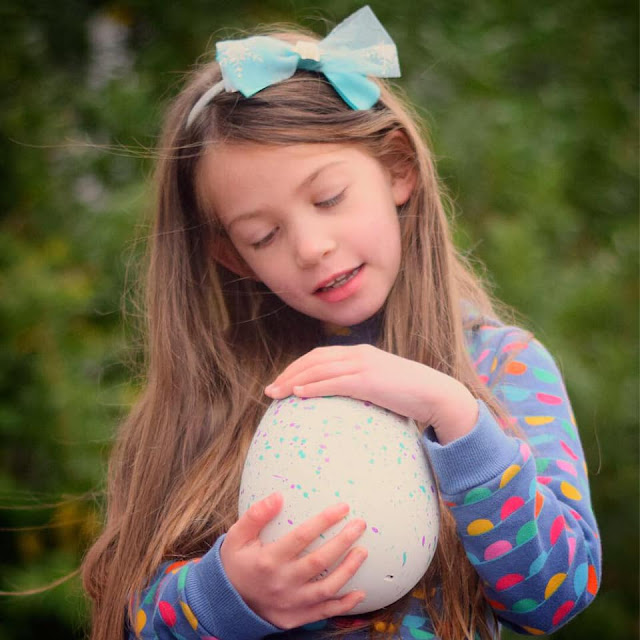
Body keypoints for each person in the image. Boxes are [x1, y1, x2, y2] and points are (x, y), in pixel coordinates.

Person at [81, 6, 601, 640]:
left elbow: (558, 592)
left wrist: (457, 417)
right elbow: (128, 622)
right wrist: (232, 593)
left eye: (328, 198)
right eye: (264, 234)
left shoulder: (498, 366)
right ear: (231, 255)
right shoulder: (214, 394)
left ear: (397, 169)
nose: (310, 246)